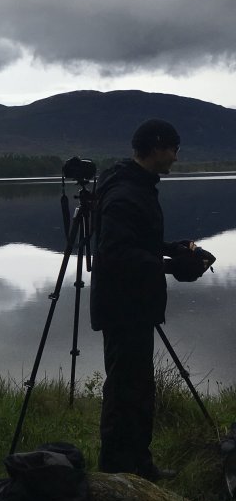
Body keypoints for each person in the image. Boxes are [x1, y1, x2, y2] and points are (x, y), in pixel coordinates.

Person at [90, 119, 213, 481]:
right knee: (123, 390)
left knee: (140, 387)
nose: (176, 157)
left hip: (136, 306)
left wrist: (174, 250)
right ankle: (114, 471)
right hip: (122, 307)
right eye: (174, 148)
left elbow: (136, 242)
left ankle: (140, 465)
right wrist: (170, 266)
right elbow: (114, 254)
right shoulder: (125, 192)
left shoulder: (135, 186)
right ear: (157, 146)